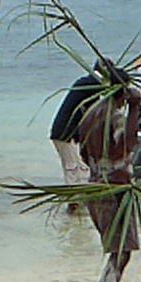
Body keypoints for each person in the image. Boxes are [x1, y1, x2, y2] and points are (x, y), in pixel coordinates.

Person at [75, 65, 141, 282]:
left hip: (94, 183)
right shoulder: (114, 117)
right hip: (111, 188)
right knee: (120, 251)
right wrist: (136, 109)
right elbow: (124, 147)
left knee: (119, 249)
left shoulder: (90, 112)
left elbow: (83, 153)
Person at [50, 72, 104, 214]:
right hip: (65, 134)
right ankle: (75, 208)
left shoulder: (87, 85)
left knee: (79, 169)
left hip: (68, 134)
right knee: (75, 170)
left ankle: (78, 208)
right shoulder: (88, 84)